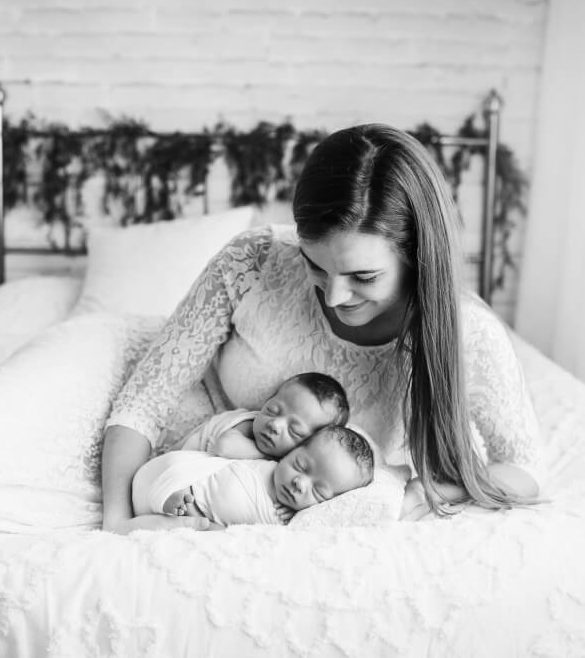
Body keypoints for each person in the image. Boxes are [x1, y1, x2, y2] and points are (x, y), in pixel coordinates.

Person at [102, 123, 542, 534]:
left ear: (417, 259)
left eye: (363, 277)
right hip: (187, 483)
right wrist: (118, 525)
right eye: (313, 265)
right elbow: (144, 403)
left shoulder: (468, 331)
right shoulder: (253, 261)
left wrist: (422, 493)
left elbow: (523, 470)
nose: (333, 297)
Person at [132, 425, 375, 526]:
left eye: (318, 491)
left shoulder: (295, 520)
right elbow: (220, 454)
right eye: (299, 465)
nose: (300, 483)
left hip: (201, 521)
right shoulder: (263, 463)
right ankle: (174, 499)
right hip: (187, 482)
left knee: (209, 532)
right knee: (185, 473)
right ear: (290, 451)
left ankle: (181, 511)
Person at [174, 371, 350, 459]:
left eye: (294, 430)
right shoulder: (247, 425)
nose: (275, 424)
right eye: (272, 410)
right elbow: (224, 447)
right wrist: (272, 459)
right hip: (179, 462)